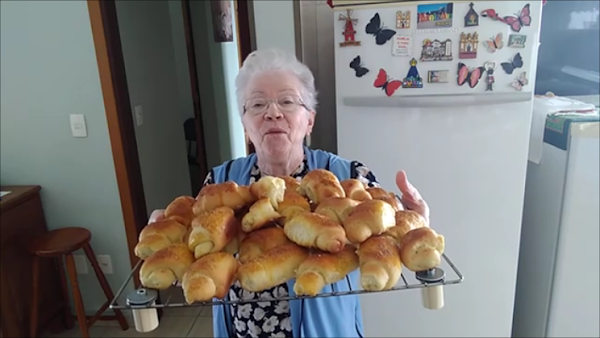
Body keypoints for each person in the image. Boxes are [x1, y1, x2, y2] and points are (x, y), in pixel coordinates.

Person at [149, 48, 430, 338]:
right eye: (257, 105)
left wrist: (416, 221)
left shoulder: (350, 177)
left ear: (309, 120)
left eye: (286, 101)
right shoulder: (220, 180)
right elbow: (194, 251)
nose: (273, 113)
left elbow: (391, 239)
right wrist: (168, 234)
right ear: (245, 125)